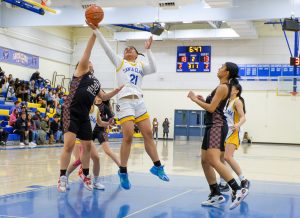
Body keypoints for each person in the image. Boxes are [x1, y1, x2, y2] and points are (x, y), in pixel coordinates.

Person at [88, 22, 169, 190]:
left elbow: (154, 68)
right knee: (128, 136)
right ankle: (123, 171)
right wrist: (96, 30)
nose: (127, 50)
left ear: (137, 54)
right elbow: (106, 48)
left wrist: (148, 50)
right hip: (124, 102)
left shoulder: (140, 65)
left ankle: (157, 166)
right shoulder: (119, 62)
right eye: (126, 49)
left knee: (148, 133)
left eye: (131, 49)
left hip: (139, 100)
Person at [57, 29, 123, 193]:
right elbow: (88, 50)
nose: (90, 62)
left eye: (90, 62)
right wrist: (94, 33)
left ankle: (86, 176)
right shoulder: (80, 71)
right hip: (71, 111)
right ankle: (62, 178)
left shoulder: (96, 81)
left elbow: (104, 95)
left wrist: (116, 91)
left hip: (85, 115)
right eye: (87, 61)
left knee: (87, 146)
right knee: (69, 145)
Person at [187, 62, 248, 210]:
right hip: (212, 126)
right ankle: (215, 194)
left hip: (216, 126)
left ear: (226, 72)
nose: (218, 69)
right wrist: (203, 100)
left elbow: (212, 108)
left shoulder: (222, 87)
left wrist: (194, 99)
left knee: (214, 161)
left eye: (221, 67)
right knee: (204, 161)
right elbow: (214, 106)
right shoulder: (222, 87)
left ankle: (237, 189)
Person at [219, 81, 250, 192]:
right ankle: (223, 184)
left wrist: (238, 124)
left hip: (235, 131)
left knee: (227, 157)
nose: (229, 89)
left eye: (231, 88)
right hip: (226, 132)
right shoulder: (228, 101)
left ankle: (244, 180)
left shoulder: (237, 101)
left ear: (236, 91)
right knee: (221, 158)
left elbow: (243, 117)